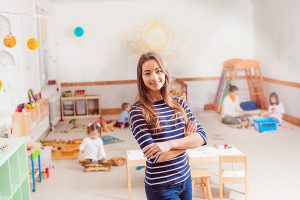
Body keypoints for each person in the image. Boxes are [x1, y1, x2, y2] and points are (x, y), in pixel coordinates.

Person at [130, 52, 207, 200]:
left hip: (185, 179)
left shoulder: (180, 103)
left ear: (165, 73)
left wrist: (170, 144)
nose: (154, 77)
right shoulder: (137, 111)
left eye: (158, 71)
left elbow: (202, 137)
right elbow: (156, 157)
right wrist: (188, 142)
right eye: (147, 73)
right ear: (141, 78)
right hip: (161, 187)